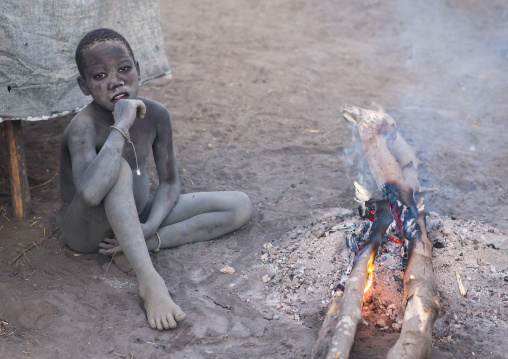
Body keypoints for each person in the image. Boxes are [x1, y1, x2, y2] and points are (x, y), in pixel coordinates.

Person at [59, 28, 253, 331]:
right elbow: (89, 193)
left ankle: (142, 244)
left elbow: (170, 183)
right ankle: (150, 282)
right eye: (99, 76)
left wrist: (149, 225)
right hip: (87, 232)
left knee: (239, 206)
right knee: (118, 168)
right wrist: (121, 124)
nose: (115, 81)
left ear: (139, 69)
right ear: (84, 86)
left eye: (124, 69)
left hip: (135, 219)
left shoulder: (156, 115)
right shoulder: (82, 127)